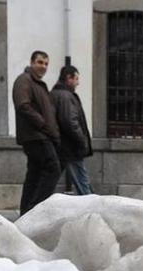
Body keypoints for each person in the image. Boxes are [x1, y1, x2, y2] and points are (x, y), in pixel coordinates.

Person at [12, 50, 61, 215]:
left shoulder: (39, 84)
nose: (43, 66)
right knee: (53, 168)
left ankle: (26, 212)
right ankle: (35, 210)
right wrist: (44, 125)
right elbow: (23, 106)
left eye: (46, 64)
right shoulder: (24, 80)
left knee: (34, 173)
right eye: (40, 62)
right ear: (32, 62)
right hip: (36, 136)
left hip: (42, 135)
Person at [50, 65, 94, 195]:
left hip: (61, 145)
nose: (78, 83)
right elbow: (70, 122)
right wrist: (82, 140)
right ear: (69, 78)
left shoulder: (55, 94)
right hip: (70, 147)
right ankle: (91, 207)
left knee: (51, 178)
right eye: (76, 79)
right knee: (82, 180)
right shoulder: (66, 96)